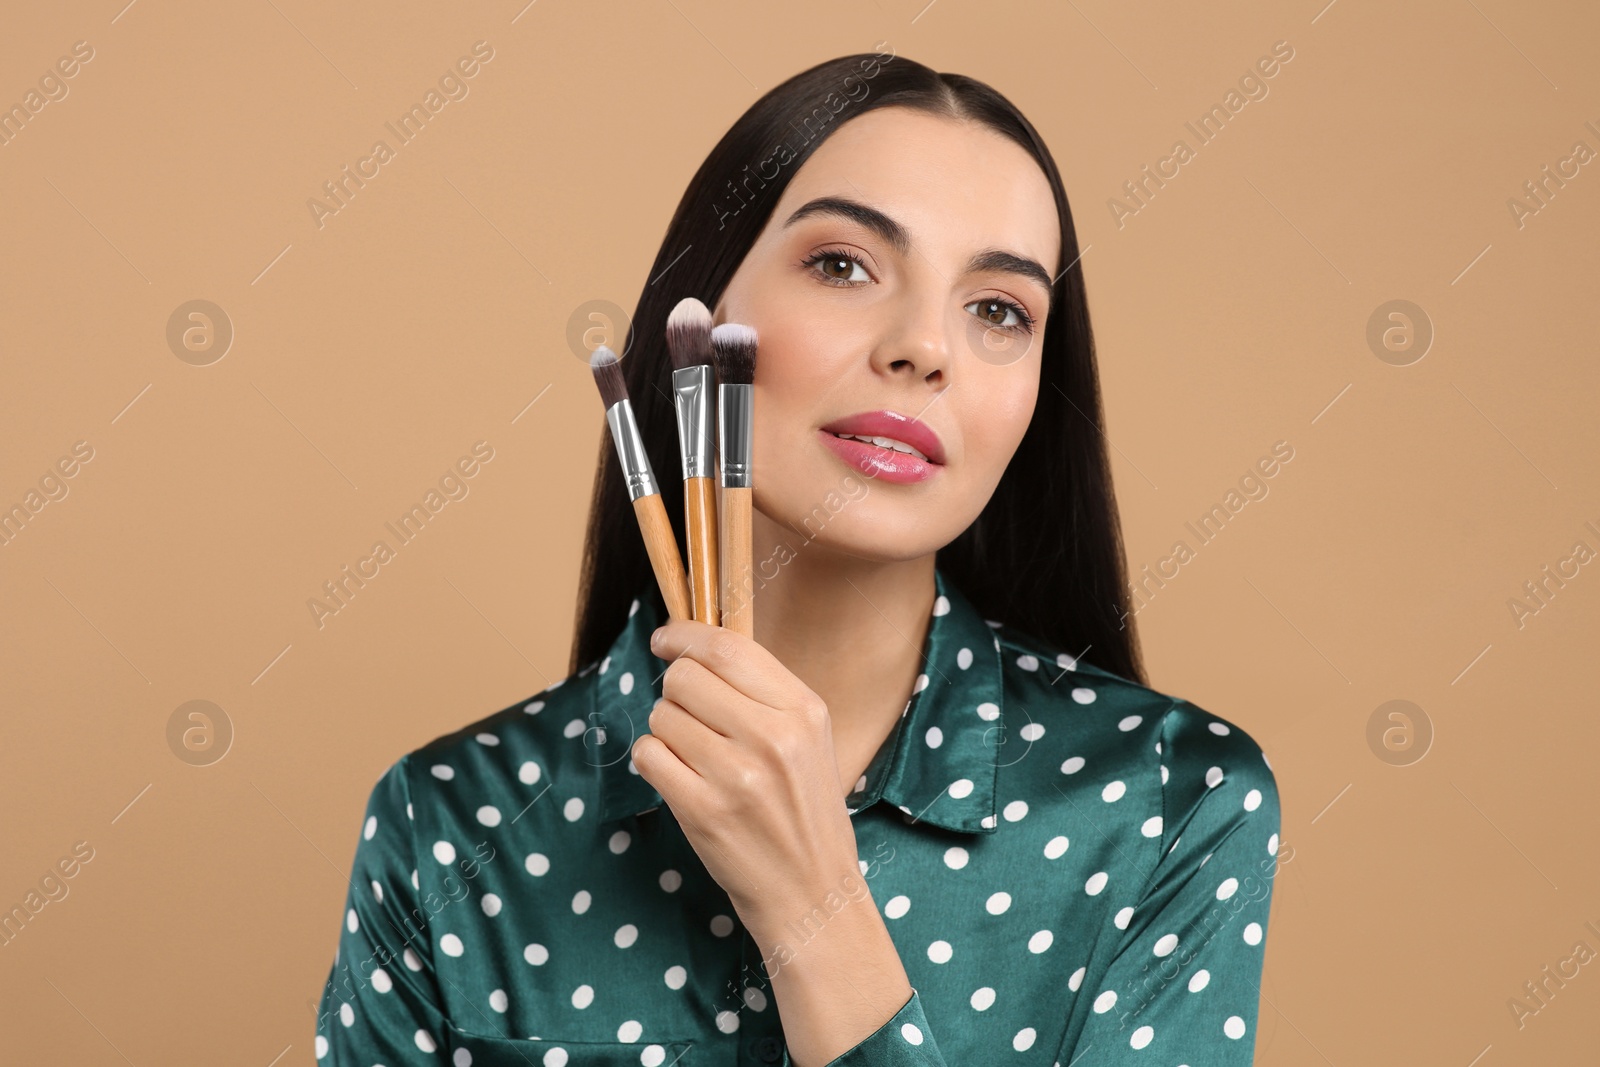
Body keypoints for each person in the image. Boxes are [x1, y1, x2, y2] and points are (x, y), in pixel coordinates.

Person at [315, 49, 1283, 1066]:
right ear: (697, 314)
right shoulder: (451, 819)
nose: (923, 345)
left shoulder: (1175, 798)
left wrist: (813, 909)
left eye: (998, 308)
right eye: (843, 264)